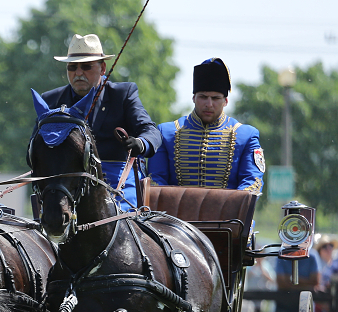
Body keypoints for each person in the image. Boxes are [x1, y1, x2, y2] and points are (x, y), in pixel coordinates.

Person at [41, 33, 162, 211]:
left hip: (116, 180)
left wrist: (141, 143)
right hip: (67, 185)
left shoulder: (123, 94)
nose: (78, 73)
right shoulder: (51, 101)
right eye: (72, 67)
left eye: (86, 66)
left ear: (103, 68)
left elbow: (150, 130)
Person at [148, 58, 265, 193]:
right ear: (193, 98)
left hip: (229, 213)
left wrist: (231, 206)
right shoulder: (166, 132)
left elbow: (252, 181)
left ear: (225, 101)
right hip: (173, 213)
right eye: (203, 97)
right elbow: (155, 179)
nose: (209, 104)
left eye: (215, 98)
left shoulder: (246, 136)